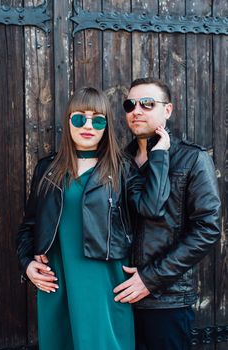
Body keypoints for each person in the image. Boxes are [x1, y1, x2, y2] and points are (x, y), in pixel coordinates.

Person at [16, 87, 171, 350]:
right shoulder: (47, 168)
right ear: (68, 121)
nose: (88, 126)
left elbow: (152, 207)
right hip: (56, 282)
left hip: (105, 283)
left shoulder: (121, 167)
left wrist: (160, 154)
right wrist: (26, 264)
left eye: (97, 120)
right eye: (79, 118)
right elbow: (29, 227)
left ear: (106, 126)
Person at [113, 77, 221, 350]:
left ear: (168, 110)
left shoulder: (193, 159)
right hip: (114, 293)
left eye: (148, 104)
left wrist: (151, 279)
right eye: (130, 104)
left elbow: (207, 229)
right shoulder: (116, 162)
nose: (137, 110)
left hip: (165, 299)